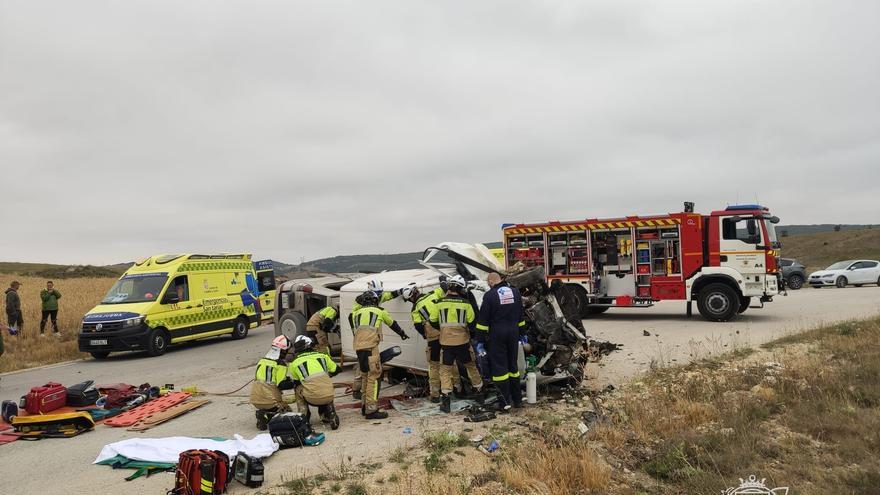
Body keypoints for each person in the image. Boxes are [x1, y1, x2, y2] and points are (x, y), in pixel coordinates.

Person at [429, 275, 484, 413]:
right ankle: (479, 393)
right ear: (460, 289)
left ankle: (446, 401)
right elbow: (472, 323)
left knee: (445, 370)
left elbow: (432, 320)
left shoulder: (439, 303)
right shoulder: (466, 304)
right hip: (463, 342)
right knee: (471, 367)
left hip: (446, 343)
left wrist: (443, 329)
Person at [351, 290, 409, 419]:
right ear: (375, 301)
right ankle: (371, 410)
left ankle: (364, 406)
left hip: (359, 349)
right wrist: (402, 333)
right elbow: (392, 323)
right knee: (374, 377)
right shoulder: (379, 311)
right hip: (371, 348)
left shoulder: (356, 313)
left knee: (366, 377)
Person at [476, 272, 527, 412]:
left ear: (492, 281)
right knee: (513, 367)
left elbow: (483, 322)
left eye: (488, 283)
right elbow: (520, 315)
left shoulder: (489, 296)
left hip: (497, 334)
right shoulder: (515, 293)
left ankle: (504, 403)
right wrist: (522, 333)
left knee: (500, 369)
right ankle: (517, 400)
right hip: (513, 333)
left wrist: (479, 341)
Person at [349, 280, 403, 401]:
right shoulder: (360, 301)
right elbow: (353, 317)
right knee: (367, 371)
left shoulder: (374, 297)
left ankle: (364, 398)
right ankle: (358, 391)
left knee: (366, 368)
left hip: (369, 338)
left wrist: (400, 291)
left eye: (380, 293)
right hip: (364, 337)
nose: (379, 297)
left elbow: (388, 296)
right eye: (377, 294)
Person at [403, 283, 455, 403]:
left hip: (433, 338)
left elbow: (418, 326)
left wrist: (425, 335)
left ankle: (435, 394)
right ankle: (454, 389)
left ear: (412, 297)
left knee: (434, 365)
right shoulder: (434, 293)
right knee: (450, 363)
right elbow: (445, 288)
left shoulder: (415, 309)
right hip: (447, 332)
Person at [287, 335, 340, 430]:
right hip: (328, 395)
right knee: (325, 384)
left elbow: (296, 383)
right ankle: (329, 412)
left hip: (311, 398)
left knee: (298, 389)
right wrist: (327, 375)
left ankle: (304, 416)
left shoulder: (294, 363)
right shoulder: (323, 356)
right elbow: (337, 369)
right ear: (310, 345)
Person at [249, 335, 293, 430]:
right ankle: (267, 415)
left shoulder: (262, 361)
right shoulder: (280, 364)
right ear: (283, 351)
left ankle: (263, 414)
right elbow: (282, 385)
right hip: (271, 401)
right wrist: (295, 382)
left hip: (255, 399)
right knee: (287, 411)